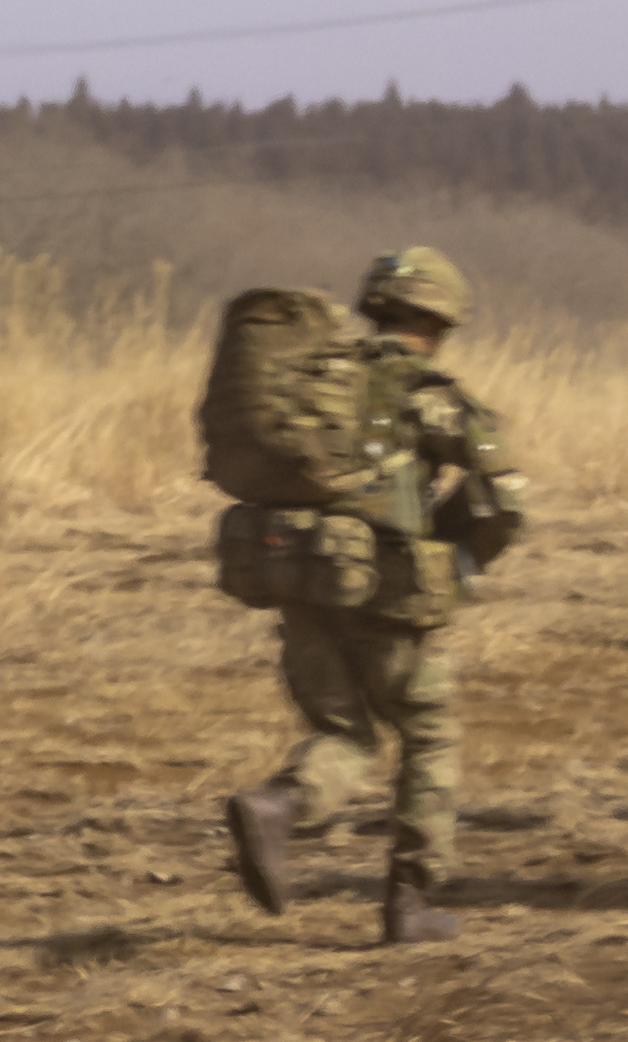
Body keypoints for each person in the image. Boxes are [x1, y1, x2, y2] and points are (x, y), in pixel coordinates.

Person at [218, 247, 524, 944]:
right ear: (441, 320)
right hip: (388, 594)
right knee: (428, 732)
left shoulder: (314, 383)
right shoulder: (426, 392)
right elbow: (505, 499)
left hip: (300, 579)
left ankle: (278, 804)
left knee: (343, 732)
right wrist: (459, 555)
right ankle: (409, 901)